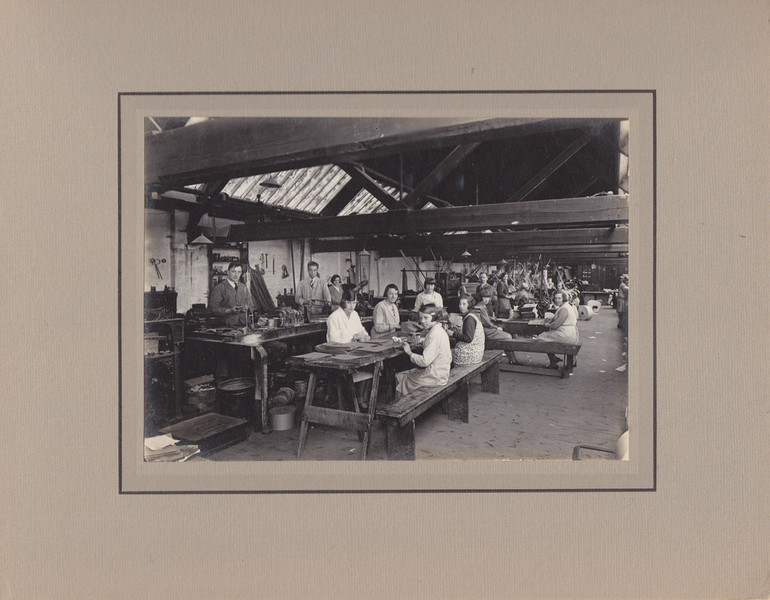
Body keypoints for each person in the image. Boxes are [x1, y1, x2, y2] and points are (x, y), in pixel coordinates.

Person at [396, 304, 452, 397]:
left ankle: (399, 408)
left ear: (434, 317)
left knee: (401, 377)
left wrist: (409, 352)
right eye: (421, 318)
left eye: (426, 318)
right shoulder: (438, 330)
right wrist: (422, 343)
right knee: (409, 373)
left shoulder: (434, 334)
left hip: (436, 377)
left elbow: (424, 361)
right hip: (441, 372)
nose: (422, 321)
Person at [537, 289, 579, 368]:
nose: (557, 300)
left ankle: (553, 360)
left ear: (564, 298)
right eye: (556, 298)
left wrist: (547, 325)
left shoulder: (564, 309)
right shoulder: (567, 306)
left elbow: (556, 325)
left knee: (541, 337)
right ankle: (553, 359)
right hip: (570, 333)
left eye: (559, 298)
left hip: (565, 335)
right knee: (547, 338)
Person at [474, 287, 516, 363]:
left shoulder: (480, 306)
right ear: (481, 298)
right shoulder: (480, 308)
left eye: (488, 298)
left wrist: (490, 318)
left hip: (482, 329)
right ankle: (512, 359)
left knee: (504, 332)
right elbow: (487, 323)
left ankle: (512, 359)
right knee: (507, 336)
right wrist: (496, 327)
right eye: (484, 298)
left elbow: (484, 319)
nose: (486, 300)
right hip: (484, 330)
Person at [208, 261, 254, 326]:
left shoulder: (244, 287)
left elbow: (251, 305)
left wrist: (246, 307)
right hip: (227, 326)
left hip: (243, 325)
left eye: (239, 272)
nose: (236, 274)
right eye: (233, 271)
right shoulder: (219, 288)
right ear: (228, 272)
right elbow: (213, 309)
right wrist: (229, 310)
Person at [449, 294, 485, 365]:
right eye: (460, 304)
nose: (461, 306)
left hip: (471, 354)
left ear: (469, 305)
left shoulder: (469, 318)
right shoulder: (471, 315)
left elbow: (468, 338)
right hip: (476, 351)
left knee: (445, 354)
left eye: (464, 304)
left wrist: (452, 333)